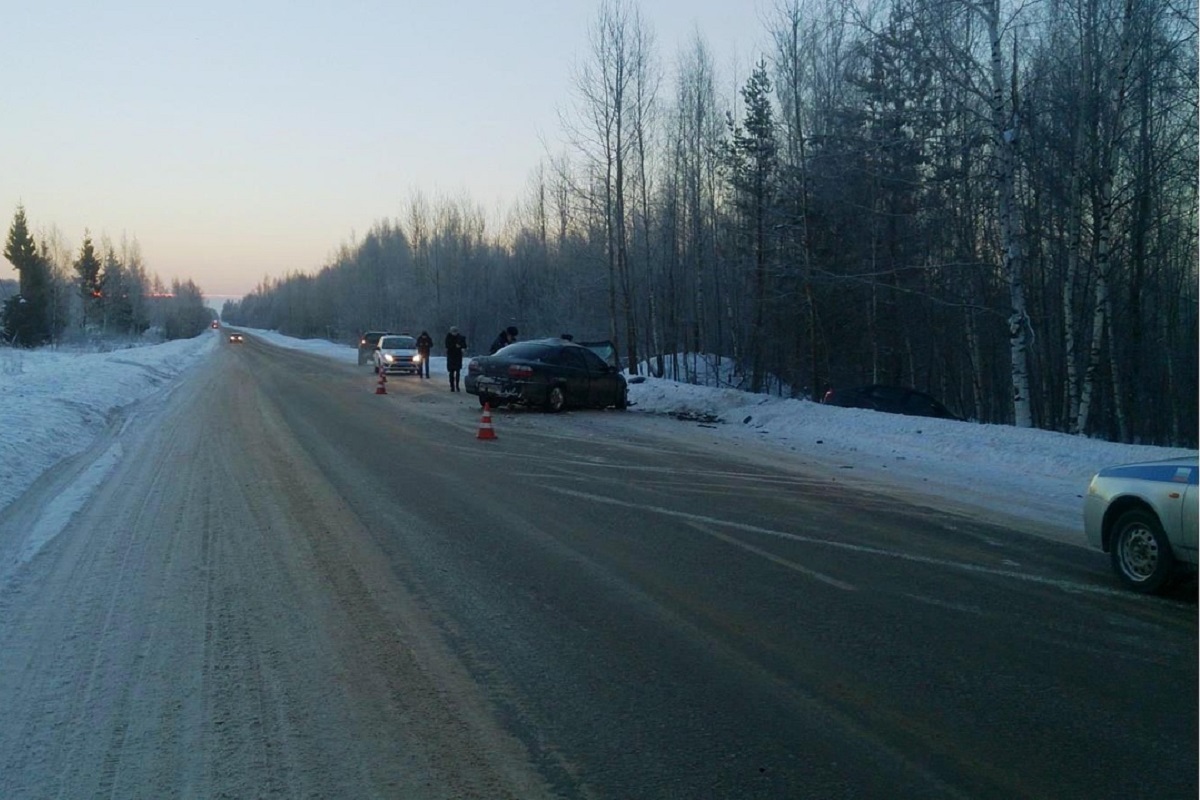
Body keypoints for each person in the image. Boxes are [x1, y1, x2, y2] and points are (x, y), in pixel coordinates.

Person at [444, 326, 467, 392]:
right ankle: (452, 386)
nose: (454, 333)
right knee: (451, 372)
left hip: (458, 356)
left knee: (458, 372)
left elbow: (464, 345)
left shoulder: (461, 338)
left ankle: (457, 385)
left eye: (455, 332)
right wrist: (454, 346)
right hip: (451, 356)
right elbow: (447, 345)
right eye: (453, 332)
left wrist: (462, 347)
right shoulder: (448, 337)